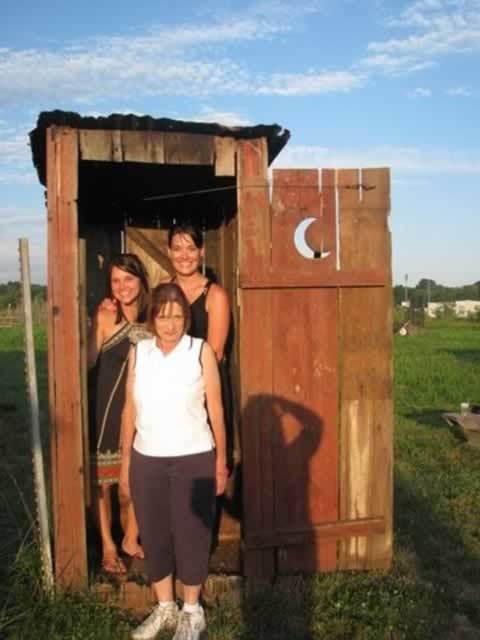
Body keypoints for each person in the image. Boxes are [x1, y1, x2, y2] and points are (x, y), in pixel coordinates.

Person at [119, 283, 228, 640]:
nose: (170, 324)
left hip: (193, 458)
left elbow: (216, 410)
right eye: (163, 316)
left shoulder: (200, 351)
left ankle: (192, 612)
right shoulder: (139, 353)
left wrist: (220, 462)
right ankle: (165, 607)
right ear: (152, 318)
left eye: (177, 316)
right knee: (154, 535)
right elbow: (129, 410)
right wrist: (125, 463)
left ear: (187, 319)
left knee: (192, 534)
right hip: (147, 459)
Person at [88, 253, 150, 574]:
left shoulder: (154, 319)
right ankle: (107, 546)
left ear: (141, 280)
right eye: (116, 280)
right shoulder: (105, 317)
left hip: (143, 410)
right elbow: (88, 361)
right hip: (106, 408)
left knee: (136, 480)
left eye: (128, 278)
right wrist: (90, 326)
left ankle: (130, 537)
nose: (122, 286)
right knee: (104, 483)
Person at [166, 223, 230, 362]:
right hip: (167, 371)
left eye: (191, 249)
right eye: (177, 249)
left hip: (203, 372)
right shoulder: (163, 288)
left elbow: (215, 354)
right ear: (169, 252)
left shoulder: (215, 296)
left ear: (202, 252)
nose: (184, 256)